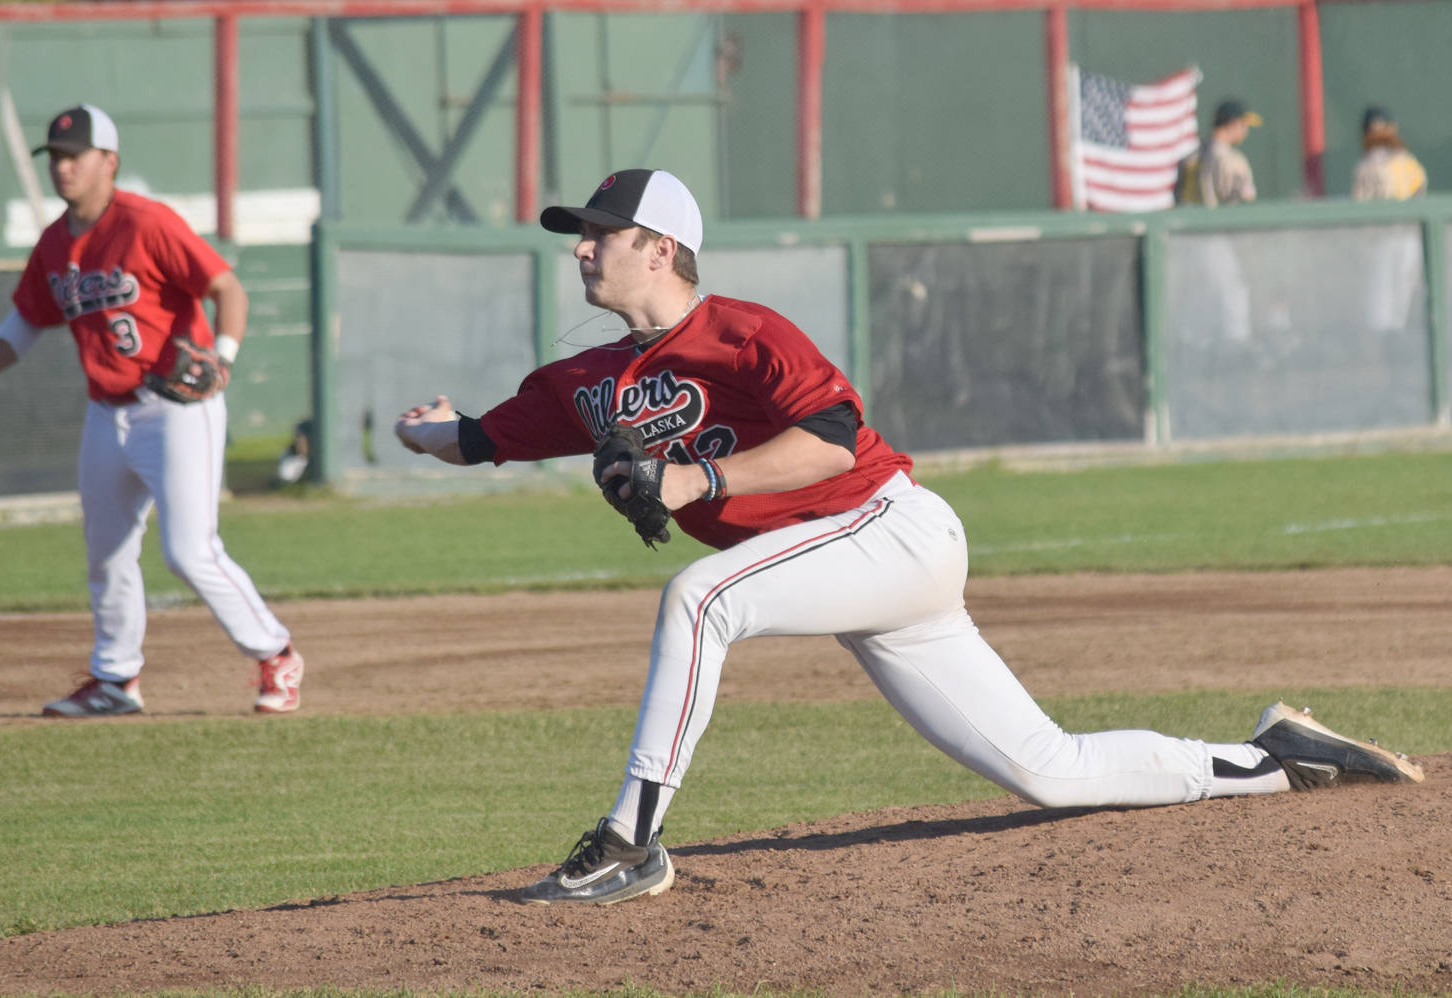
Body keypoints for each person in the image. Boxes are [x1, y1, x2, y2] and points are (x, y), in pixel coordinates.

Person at [394, 168, 1423, 905]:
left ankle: (630, 839)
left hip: (889, 527)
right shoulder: (583, 384)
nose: (581, 247)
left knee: (701, 596)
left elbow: (833, 440)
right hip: (855, 574)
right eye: (580, 233)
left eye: (600, 232)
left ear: (659, 248)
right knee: (1049, 768)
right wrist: (426, 432)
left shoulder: (741, 332)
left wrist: (692, 474)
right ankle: (1275, 758)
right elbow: (483, 436)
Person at [0, 104, 303, 718]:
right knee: (105, 551)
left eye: (74, 155)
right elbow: (29, 317)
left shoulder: (147, 222)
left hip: (177, 408)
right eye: (55, 157)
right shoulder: (56, 242)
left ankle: (276, 654)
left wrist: (226, 355)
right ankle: (116, 678)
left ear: (109, 162)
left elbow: (226, 287)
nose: (63, 167)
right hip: (107, 413)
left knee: (189, 550)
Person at [1176, 98, 1261, 206]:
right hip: (1222, 221)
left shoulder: (1189, 158)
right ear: (1234, 123)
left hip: (1194, 221)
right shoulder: (1233, 160)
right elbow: (1242, 200)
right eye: (1244, 125)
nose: (1246, 131)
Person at [1352, 105, 1427, 201]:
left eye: (1384, 131)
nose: (1379, 135)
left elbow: (1420, 190)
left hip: (1405, 214)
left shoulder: (1407, 163)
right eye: (1375, 133)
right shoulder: (1364, 167)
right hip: (1381, 214)